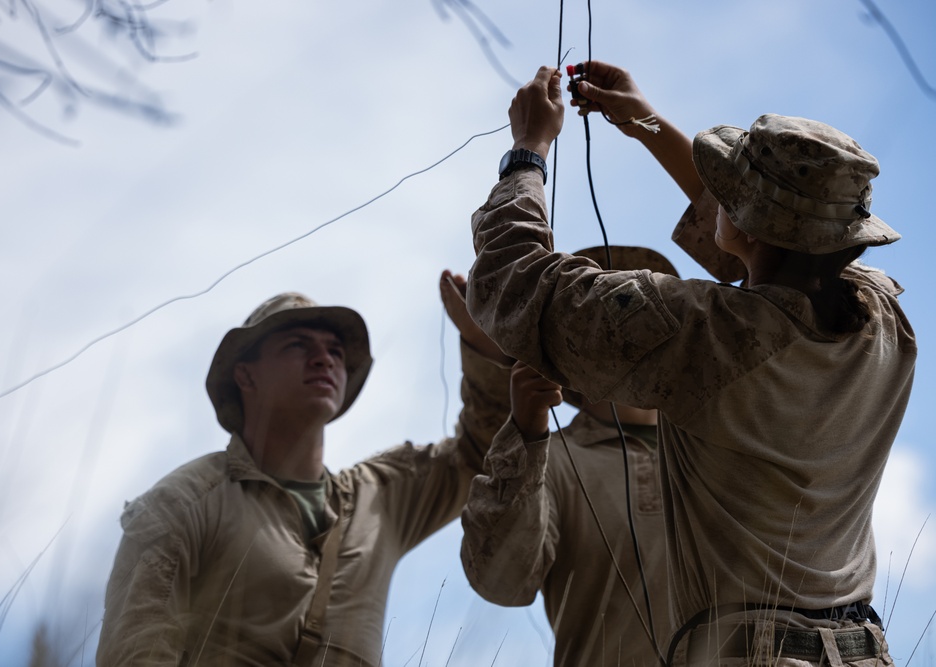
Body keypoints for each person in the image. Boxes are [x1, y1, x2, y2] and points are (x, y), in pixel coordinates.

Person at [466, 63, 915, 666]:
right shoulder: (884, 319)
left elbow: (513, 283)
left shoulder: (704, 336)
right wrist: (645, 124)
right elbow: (769, 259)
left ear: (750, 225)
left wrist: (528, 151)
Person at [96, 272, 513, 666]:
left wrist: (483, 346)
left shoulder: (378, 498)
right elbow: (137, 653)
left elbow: (481, 455)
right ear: (245, 375)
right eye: (297, 345)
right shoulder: (183, 503)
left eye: (335, 351)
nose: (324, 359)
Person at [460, 246, 677, 666]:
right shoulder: (549, 460)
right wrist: (525, 432)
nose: (626, 324)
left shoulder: (723, 446)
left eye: (640, 304)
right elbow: (502, 583)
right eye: (598, 312)